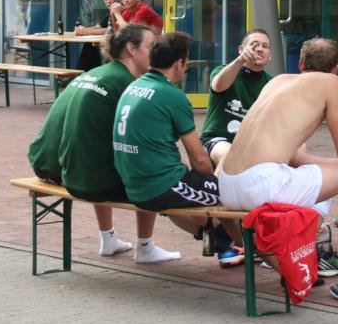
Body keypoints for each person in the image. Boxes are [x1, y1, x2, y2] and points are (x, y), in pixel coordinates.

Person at [218, 37, 338, 307]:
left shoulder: (277, 82)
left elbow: (297, 158)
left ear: (300, 64)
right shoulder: (330, 83)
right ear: (335, 70)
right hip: (261, 183)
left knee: (330, 178)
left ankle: (297, 263)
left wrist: (335, 165)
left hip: (228, 184)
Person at [28, 24, 182, 262]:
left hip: (45, 164)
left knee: (104, 152)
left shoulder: (95, 72)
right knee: (146, 167)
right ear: (131, 49)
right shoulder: (131, 85)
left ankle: (108, 239)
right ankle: (145, 247)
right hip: (77, 176)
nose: (156, 51)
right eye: (151, 46)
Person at [112, 32, 242, 262]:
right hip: (159, 185)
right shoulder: (172, 95)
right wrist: (211, 183)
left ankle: (220, 242)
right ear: (179, 63)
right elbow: (199, 157)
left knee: (199, 197)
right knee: (232, 194)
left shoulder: (133, 86)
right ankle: (250, 247)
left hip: (132, 183)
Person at [200, 29, 273, 167]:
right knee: (230, 157)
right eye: (254, 44)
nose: (259, 49)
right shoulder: (222, 70)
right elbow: (219, 85)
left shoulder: (272, 84)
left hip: (251, 145)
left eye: (265, 46)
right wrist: (241, 60)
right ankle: (214, 182)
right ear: (241, 49)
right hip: (217, 140)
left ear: (270, 55)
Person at [74, 0, 119, 71]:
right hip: (108, 41)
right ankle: (84, 72)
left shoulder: (120, 10)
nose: (109, 1)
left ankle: (83, 72)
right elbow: (99, 26)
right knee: (90, 44)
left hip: (117, 43)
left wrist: (87, 31)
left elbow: (110, 30)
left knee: (91, 46)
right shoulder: (110, 12)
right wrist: (81, 30)